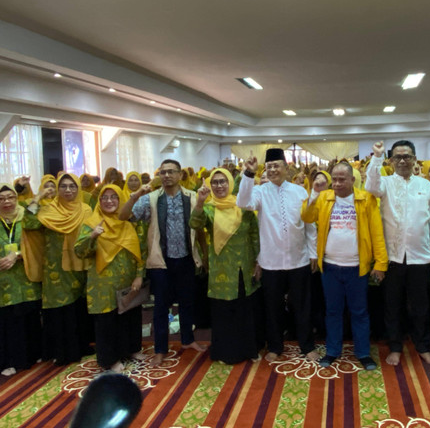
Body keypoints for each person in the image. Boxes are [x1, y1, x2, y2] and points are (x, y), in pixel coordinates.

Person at [119, 159, 206, 366]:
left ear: (180, 175)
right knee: (160, 307)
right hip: (161, 261)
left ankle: (187, 340)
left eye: (171, 172)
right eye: (163, 172)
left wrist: (204, 255)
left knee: (187, 303)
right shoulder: (150, 199)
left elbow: (200, 229)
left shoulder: (193, 197)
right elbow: (124, 217)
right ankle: (160, 349)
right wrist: (134, 197)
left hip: (186, 259)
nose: (166, 176)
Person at [237, 148, 320, 362]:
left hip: (299, 259)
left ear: (287, 168)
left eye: (277, 166)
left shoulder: (300, 192)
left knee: (302, 306)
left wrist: (313, 252)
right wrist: (248, 174)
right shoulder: (260, 191)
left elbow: (309, 225)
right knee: (272, 308)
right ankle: (275, 346)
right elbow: (243, 203)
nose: (273, 170)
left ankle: (307, 345)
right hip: (271, 262)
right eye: (269, 166)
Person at [303, 162, 387, 370]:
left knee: (359, 312)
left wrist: (381, 263)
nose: (338, 183)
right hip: (330, 266)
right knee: (332, 311)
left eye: (342, 179)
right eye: (335, 179)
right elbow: (307, 216)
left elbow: (377, 233)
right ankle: (332, 351)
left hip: (357, 267)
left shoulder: (366, 199)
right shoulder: (324, 197)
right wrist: (314, 192)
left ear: (352, 179)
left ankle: (363, 353)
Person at [366, 141, 430, 366]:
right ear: (390, 161)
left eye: (407, 156)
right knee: (393, 305)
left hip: (420, 256)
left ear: (415, 159)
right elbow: (370, 186)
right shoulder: (385, 183)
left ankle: (423, 346)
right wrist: (377, 157)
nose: (402, 161)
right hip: (392, 256)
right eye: (397, 157)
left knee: (420, 306)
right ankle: (395, 346)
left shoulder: (425, 185)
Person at [190, 168, 262, 364]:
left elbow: (254, 235)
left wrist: (258, 261)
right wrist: (199, 202)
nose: (219, 185)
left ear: (230, 183)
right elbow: (195, 224)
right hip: (221, 269)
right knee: (223, 312)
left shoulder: (243, 207)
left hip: (244, 267)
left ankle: (250, 350)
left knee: (244, 310)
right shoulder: (209, 209)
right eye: (215, 182)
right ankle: (225, 353)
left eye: (223, 181)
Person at [23, 173, 93, 366]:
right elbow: (28, 223)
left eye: (72, 186)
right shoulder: (48, 210)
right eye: (64, 186)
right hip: (56, 270)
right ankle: (63, 352)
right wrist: (37, 197)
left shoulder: (86, 210)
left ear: (78, 189)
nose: (68, 190)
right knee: (61, 309)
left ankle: (81, 346)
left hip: (79, 266)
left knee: (79, 307)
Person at [74, 185, 144, 372]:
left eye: (114, 197)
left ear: (121, 199)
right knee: (107, 320)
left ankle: (131, 349)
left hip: (128, 279)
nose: (109, 201)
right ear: (99, 201)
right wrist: (92, 236)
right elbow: (79, 251)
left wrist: (139, 275)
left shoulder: (128, 223)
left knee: (129, 315)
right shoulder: (92, 223)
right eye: (104, 197)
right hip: (102, 282)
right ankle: (110, 360)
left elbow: (140, 251)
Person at [0, 184, 42, 376]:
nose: (7, 202)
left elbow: (35, 242)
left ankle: (33, 354)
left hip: (25, 274)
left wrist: (16, 255)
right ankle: (10, 360)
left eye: (10, 197)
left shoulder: (25, 217)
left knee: (29, 315)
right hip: (3, 280)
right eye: (2, 199)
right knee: (7, 321)